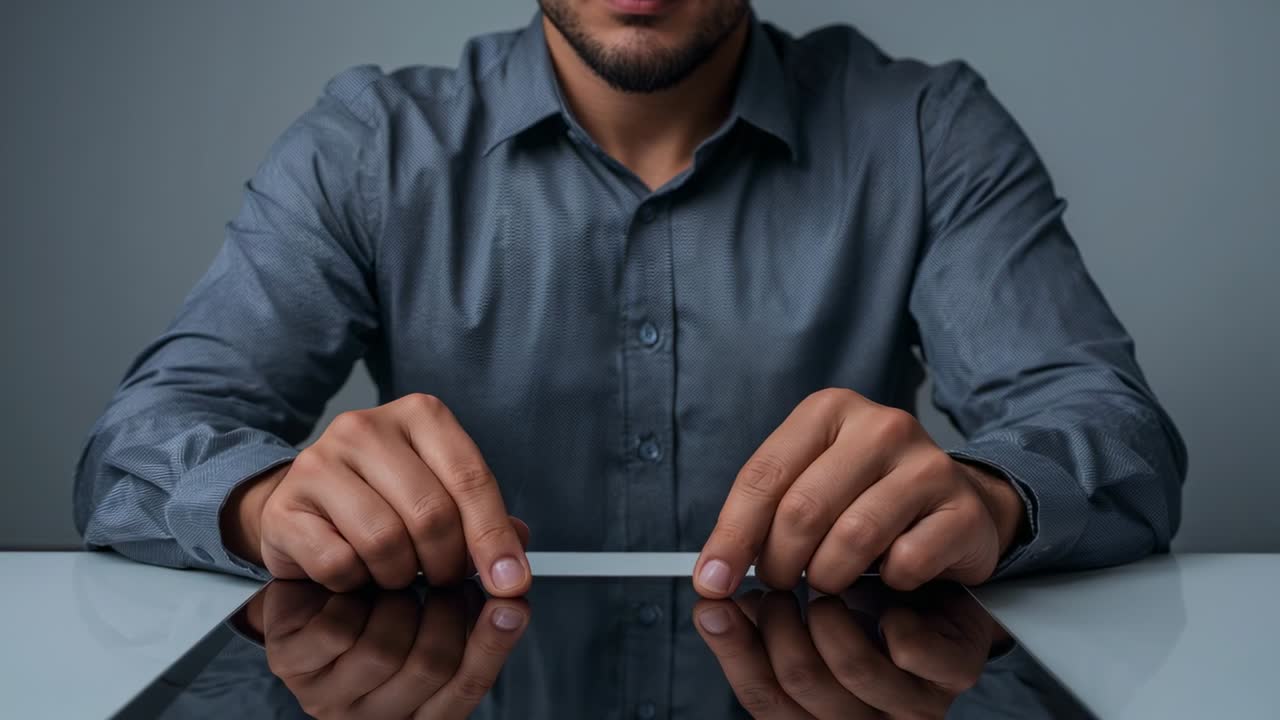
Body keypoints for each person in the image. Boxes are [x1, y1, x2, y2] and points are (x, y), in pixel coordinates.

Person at [74, 0, 1187, 600]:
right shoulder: (368, 146)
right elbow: (139, 443)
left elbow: (1113, 432)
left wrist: (991, 498)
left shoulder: (926, 130)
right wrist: (262, 503)